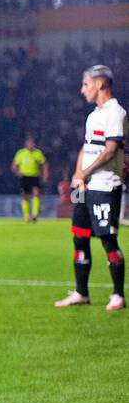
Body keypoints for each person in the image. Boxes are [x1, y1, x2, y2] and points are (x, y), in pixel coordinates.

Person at [54, 65, 126, 311]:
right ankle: (80, 292)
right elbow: (86, 148)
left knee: (107, 238)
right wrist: (77, 174)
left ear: (100, 84)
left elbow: (110, 149)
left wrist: (85, 172)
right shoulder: (93, 115)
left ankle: (118, 294)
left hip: (105, 185)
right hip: (84, 185)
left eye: (85, 84)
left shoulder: (115, 113)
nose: (81, 89)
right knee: (79, 235)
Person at [10, 135, 47, 223]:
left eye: (32, 143)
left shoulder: (37, 153)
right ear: (26, 144)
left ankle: (34, 215)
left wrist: (45, 174)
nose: (31, 145)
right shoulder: (21, 153)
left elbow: (44, 163)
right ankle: (26, 216)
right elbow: (14, 165)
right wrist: (17, 172)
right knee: (25, 196)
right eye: (29, 143)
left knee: (36, 193)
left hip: (34, 176)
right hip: (25, 177)